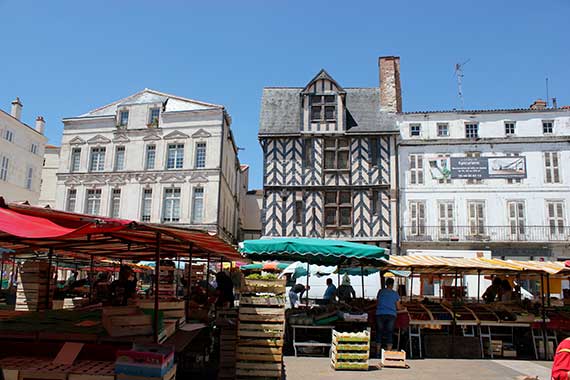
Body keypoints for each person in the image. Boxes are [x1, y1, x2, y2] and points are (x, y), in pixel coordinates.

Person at [376, 277, 401, 353]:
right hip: (391, 315)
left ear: (386, 284)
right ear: (392, 285)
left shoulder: (380, 292)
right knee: (389, 332)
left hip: (380, 314)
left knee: (379, 332)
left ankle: (377, 352)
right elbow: (398, 307)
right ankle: (388, 352)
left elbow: (377, 303)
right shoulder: (395, 294)